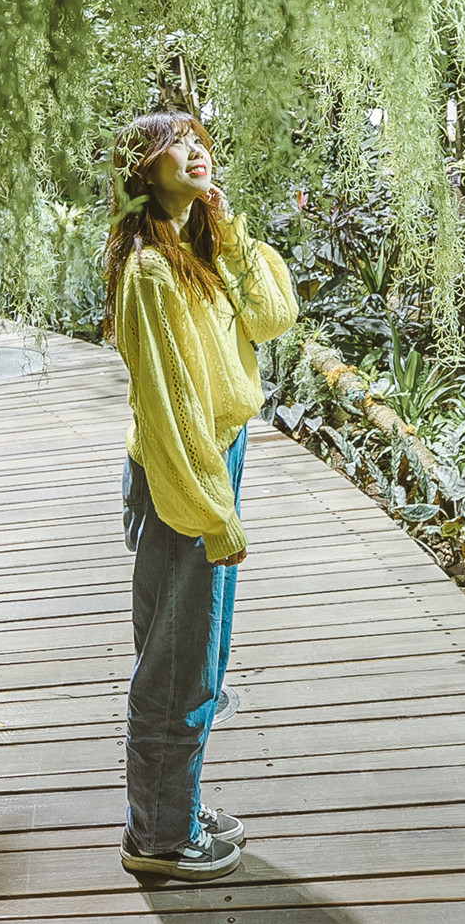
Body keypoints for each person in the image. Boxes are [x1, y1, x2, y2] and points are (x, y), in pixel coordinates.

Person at [102, 109, 298, 881]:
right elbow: (172, 404)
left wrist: (229, 228)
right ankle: (156, 839)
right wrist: (212, 512)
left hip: (216, 454)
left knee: (199, 651)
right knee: (177, 661)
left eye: (200, 141)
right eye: (175, 145)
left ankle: (171, 804)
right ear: (143, 169)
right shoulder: (150, 269)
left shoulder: (199, 244)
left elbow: (273, 314)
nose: (195, 152)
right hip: (184, 471)